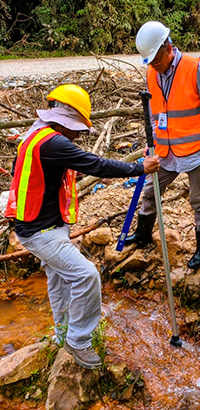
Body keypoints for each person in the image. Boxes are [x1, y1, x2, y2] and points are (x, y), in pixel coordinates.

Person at [5, 84, 160, 369]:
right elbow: (97, 165)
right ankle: (78, 341)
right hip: (41, 232)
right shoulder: (55, 143)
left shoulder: (34, 134)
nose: (79, 134)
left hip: (43, 225)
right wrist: (140, 167)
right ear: (65, 121)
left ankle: (62, 333)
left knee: (60, 278)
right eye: (78, 127)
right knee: (86, 275)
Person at [125, 21, 200, 270]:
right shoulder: (151, 72)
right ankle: (143, 234)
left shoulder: (194, 68)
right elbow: (153, 113)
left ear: (168, 48)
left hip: (194, 149)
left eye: (157, 60)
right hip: (165, 149)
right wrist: (152, 143)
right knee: (150, 192)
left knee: (199, 198)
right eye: (150, 62)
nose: (154, 66)